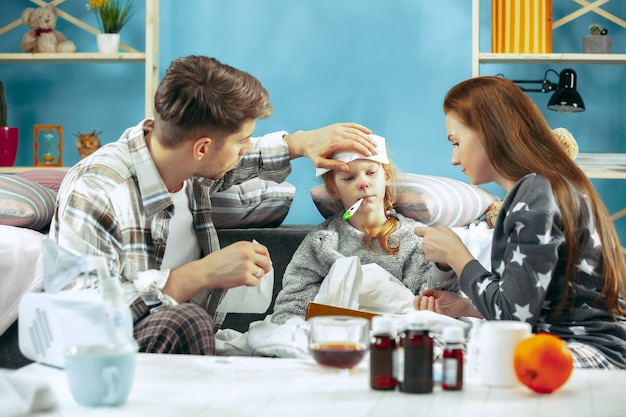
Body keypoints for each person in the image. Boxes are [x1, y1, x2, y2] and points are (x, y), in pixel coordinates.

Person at [49, 55, 379, 356]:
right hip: (106, 355)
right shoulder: (99, 188)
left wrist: (299, 143)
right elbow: (80, 311)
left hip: (188, 343)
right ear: (202, 148)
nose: (245, 148)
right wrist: (202, 274)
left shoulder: (186, 165)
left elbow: (242, 160)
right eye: (241, 140)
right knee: (186, 319)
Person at [413, 76, 626, 369]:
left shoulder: (538, 193)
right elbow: (528, 302)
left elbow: (514, 317)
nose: (453, 158)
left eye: (456, 142)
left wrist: (457, 255)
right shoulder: (543, 187)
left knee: (440, 357)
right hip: (567, 343)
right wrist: (468, 307)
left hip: (590, 349)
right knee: (424, 345)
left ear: (489, 132)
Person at [271, 134, 459, 324]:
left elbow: (436, 303)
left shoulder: (414, 237)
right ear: (334, 189)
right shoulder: (322, 242)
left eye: (371, 172)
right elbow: (291, 305)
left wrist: (443, 267)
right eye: (349, 178)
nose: (363, 183)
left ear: (386, 178)